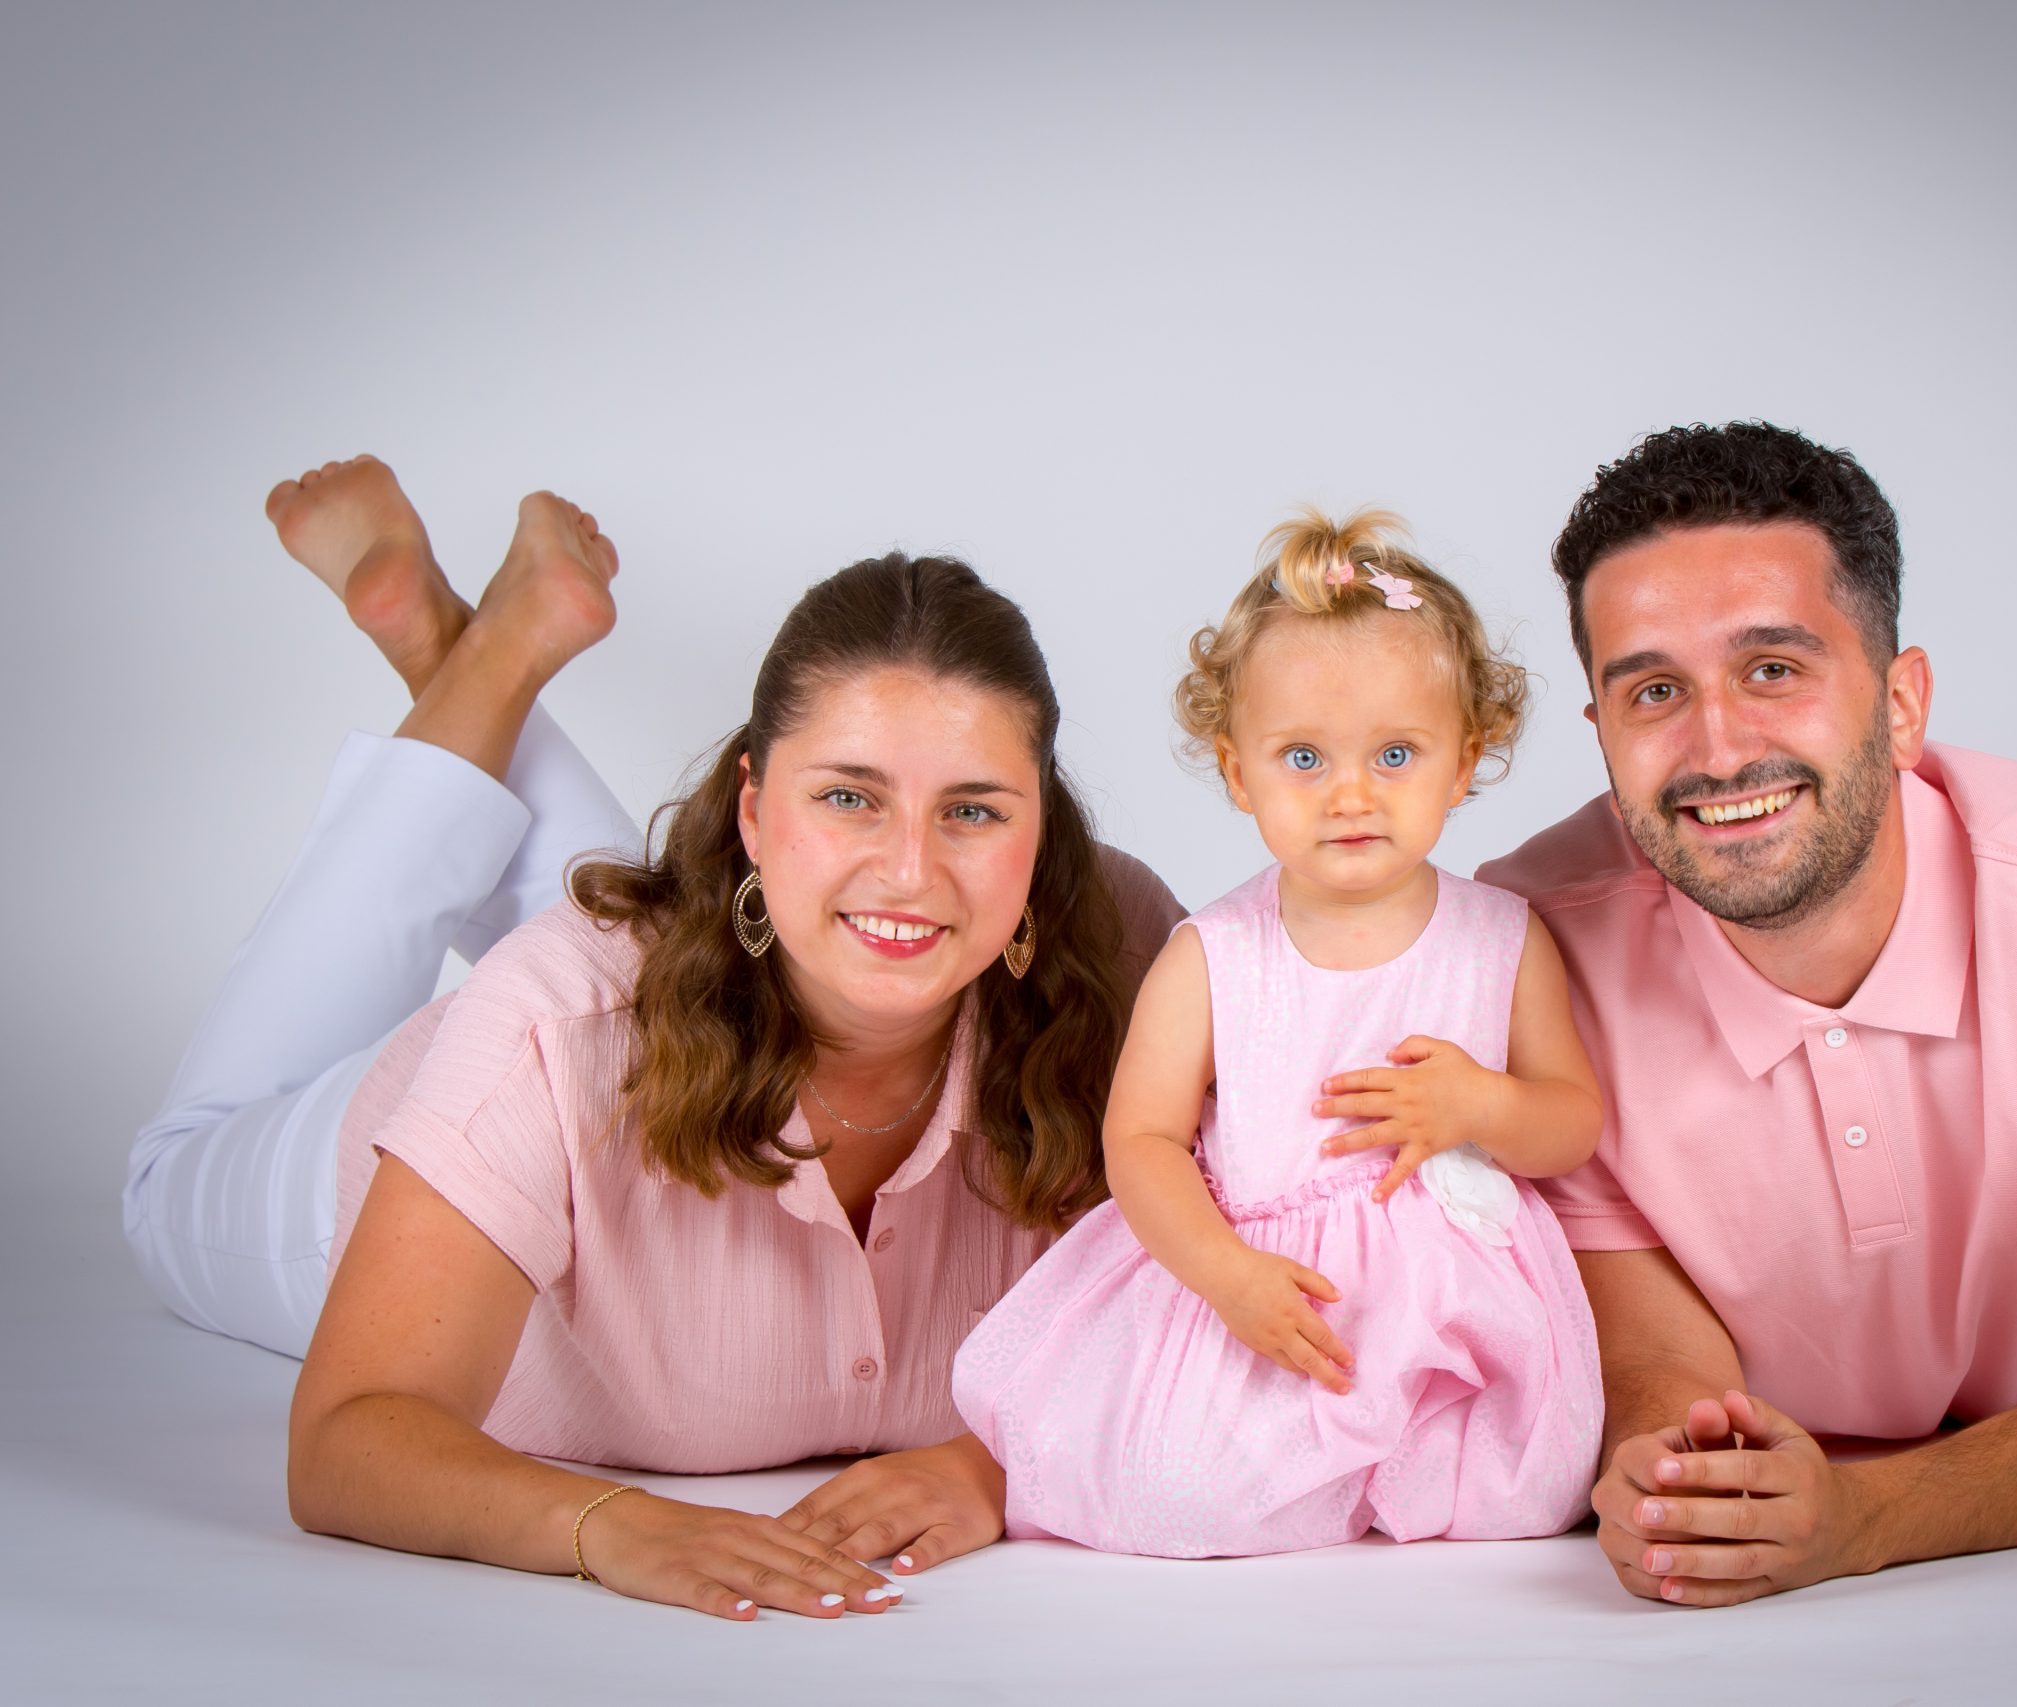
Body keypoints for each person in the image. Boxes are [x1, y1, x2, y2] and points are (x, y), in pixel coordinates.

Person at [125, 456, 1183, 1619]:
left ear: (1044, 827)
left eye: (974, 810)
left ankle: (470, 649)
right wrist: (603, 1527)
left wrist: (1007, 1463)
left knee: (710, 918)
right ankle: (480, 663)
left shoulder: (1131, 963)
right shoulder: (558, 1027)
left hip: (693, 964)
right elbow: (346, 1441)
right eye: (847, 797)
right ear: (750, 805)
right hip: (370, 1166)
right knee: (172, 1170)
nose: (912, 865)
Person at [1477, 422, 2017, 1605]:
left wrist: (1855, 1522)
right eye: (1654, 690)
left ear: (1902, 703)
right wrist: (1687, 1490)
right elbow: (1658, 1368)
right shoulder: (1528, 944)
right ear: (1601, 735)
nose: (1718, 748)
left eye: (1774, 668)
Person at [953, 509, 1605, 1557]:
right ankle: (1301, 1477)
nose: (1350, 793)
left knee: (1529, 1494)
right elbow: (1142, 1143)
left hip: (1453, 1297)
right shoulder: (1215, 955)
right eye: (1302, 756)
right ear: (1236, 769)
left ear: (1463, 759)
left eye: (1395, 753)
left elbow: (1572, 1121)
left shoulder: (1499, 935)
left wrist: (1484, 1105)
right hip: (1276, 1287)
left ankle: (1414, 1476)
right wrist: (1225, 1275)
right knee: (1181, 1498)